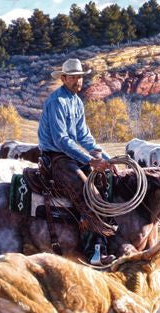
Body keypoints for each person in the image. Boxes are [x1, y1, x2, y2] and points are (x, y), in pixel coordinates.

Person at [38, 58, 115, 238]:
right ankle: (94, 249)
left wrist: (106, 158)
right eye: (72, 77)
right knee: (87, 190)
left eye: (79, 77)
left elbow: (84, 136)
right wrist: (89, 160)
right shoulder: (57, 101)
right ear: (63, 79)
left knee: (106, 180)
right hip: (56, 157)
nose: (77, 81)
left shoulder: (77, 102)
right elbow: (61, 140)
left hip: (70, 156)